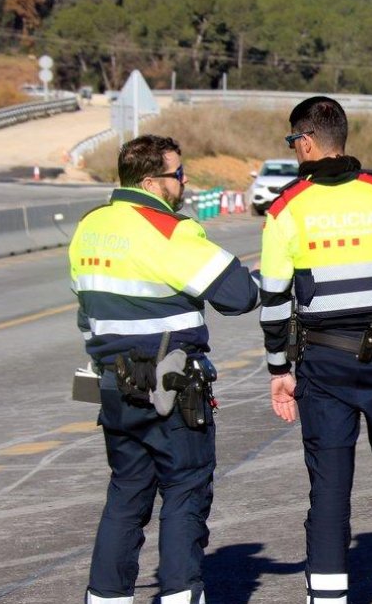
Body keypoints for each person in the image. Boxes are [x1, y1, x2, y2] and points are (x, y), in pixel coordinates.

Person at [261, 96, 372, 604]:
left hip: (322, 361)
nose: (295, 152)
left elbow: (274, 302)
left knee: (330, 484)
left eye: (294, 143)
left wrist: (280, 369)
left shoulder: (285, 208)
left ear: (309, 142)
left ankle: (329, 598)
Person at [69, 135, 261, 604]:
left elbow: (84, 310)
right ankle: (180, 595)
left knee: (126, 493)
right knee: (185, 492)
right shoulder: (169, 229)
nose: (186, 180)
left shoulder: (89, 228)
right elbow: (240, 296)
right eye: (179, 174)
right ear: (153, 181)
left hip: (112, 380)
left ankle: (106, 598)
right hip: (172, 385)